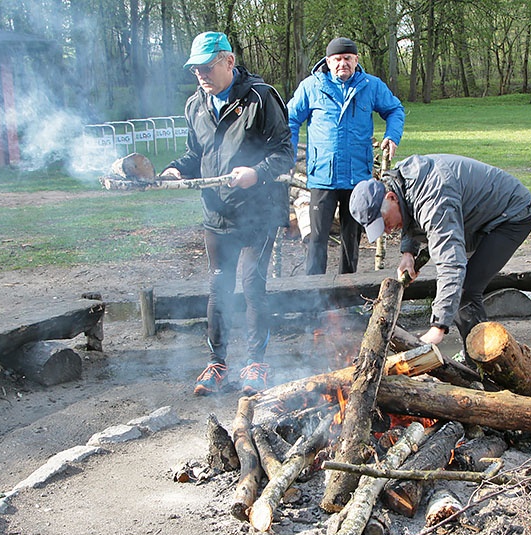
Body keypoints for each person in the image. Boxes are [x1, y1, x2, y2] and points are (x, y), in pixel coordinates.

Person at [160, 32, 293, 395]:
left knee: (251, 283)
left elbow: (284, 152)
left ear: (229, 62)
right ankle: (217, 364)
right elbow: (195, 155)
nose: (200, 74)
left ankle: (256, 364)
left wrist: (257, 173)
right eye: (195, 69)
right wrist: (176, 169)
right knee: (219, 285)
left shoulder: (260, 98)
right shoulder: (195, 106)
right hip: (216, 214)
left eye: (207, 66)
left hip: (258, 214)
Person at [349, 154, 531, 352]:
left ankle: (485, 364)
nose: (387, 231)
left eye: (385, 222)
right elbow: (410, 208)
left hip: (511, 215)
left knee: (466, 290)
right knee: (463, 289)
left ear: (391, 197)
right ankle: (476, 357)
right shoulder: (400, 183)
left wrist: (438, 325)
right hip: (475, 218)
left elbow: (452, 263)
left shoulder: (434, 198)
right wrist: (408, 253)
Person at [288, 37, 405, 275]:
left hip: (357, 178)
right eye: (338, 59)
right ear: (328, 62)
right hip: (322, 176)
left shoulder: (371, 86)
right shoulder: (311, 86)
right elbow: (290, 119)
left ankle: (347, 297)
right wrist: (288, 153)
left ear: (356, 60)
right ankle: (313, 296)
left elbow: (394, 109)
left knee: (351, 240)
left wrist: (392, 136)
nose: (343, 64)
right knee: (316, 239)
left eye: (348, 59)